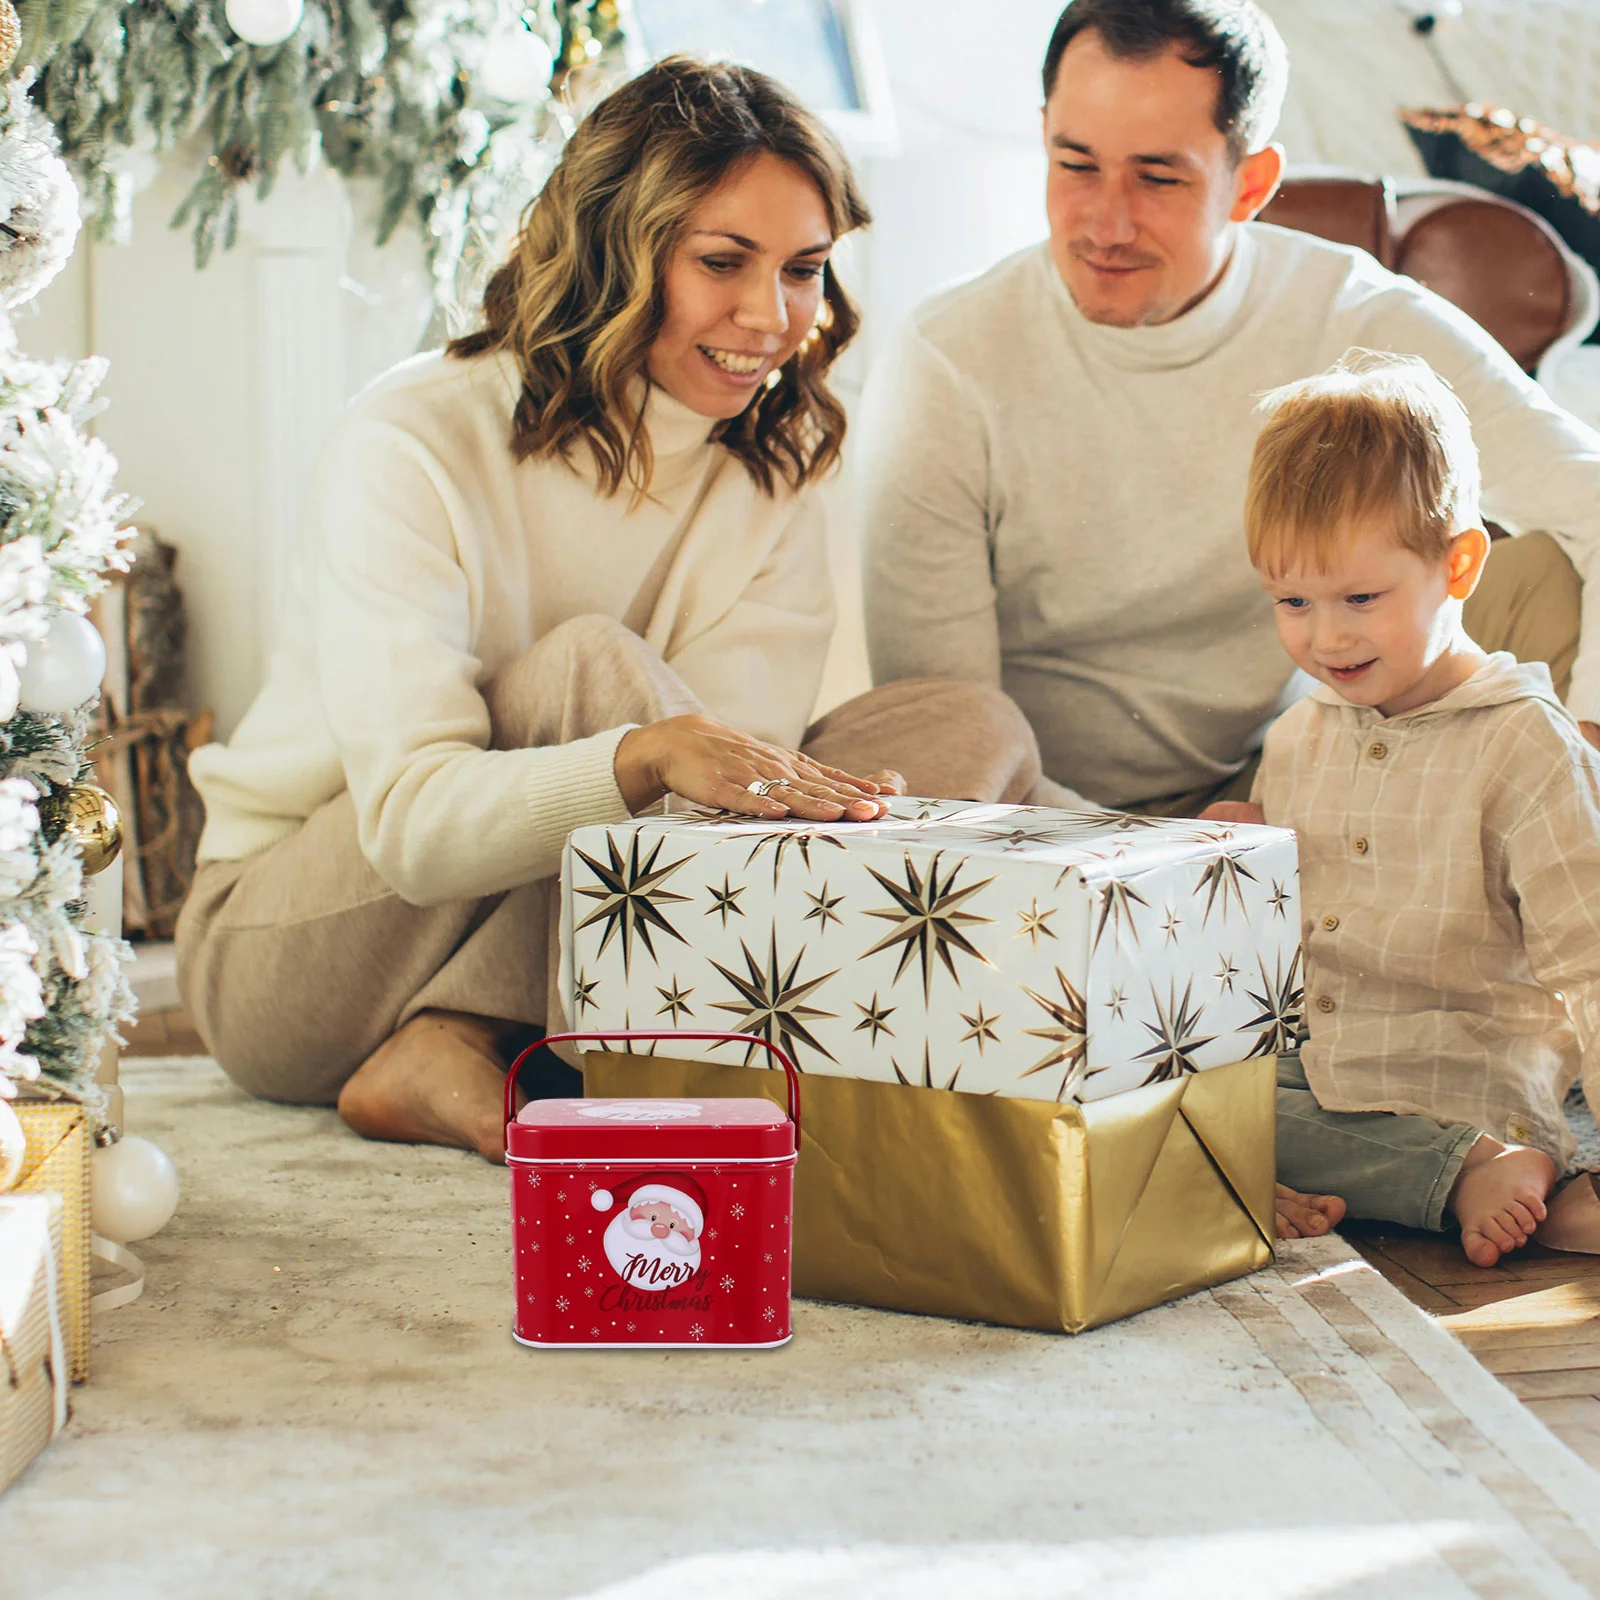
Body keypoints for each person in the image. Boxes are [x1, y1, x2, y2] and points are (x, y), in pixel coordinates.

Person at [176, 58, 1040, 1162]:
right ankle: (658, 1072)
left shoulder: (774, 461)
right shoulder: (412, 440)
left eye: (803, 269)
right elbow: (412, 834)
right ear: (612, 249)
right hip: (298, 949)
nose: (770, 316)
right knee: (594, 674)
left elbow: (727, 826)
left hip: (560, 934)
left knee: (965, 723)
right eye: (721, 261)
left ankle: (473, 1041)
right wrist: (639, 755)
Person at [859, 0, 1600, 820]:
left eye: (1157, 177)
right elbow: (946, 713)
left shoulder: (1356, 316)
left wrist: (1583, 756)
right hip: (1038, 813)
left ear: (1250, 184)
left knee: (1546, 575)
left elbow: (1592, 497)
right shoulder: (947, 356)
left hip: (1297, 778)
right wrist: (1162, 855)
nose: (1106, 223)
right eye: (1076, 165)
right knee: (943, 726)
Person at [1205, 353, 1600, 1267]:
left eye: (1361, 598)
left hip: (1461, 1078)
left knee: (1215, 1130)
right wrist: (1227, 874)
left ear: (1458, 564)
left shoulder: (1526, 744)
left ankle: (1476, 1169)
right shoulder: (1299, 734)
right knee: (1154, 1095)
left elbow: (1592, 961)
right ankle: (1303, 1170)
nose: (1326, 636)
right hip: (1320, 1065)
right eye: (1293, 601)